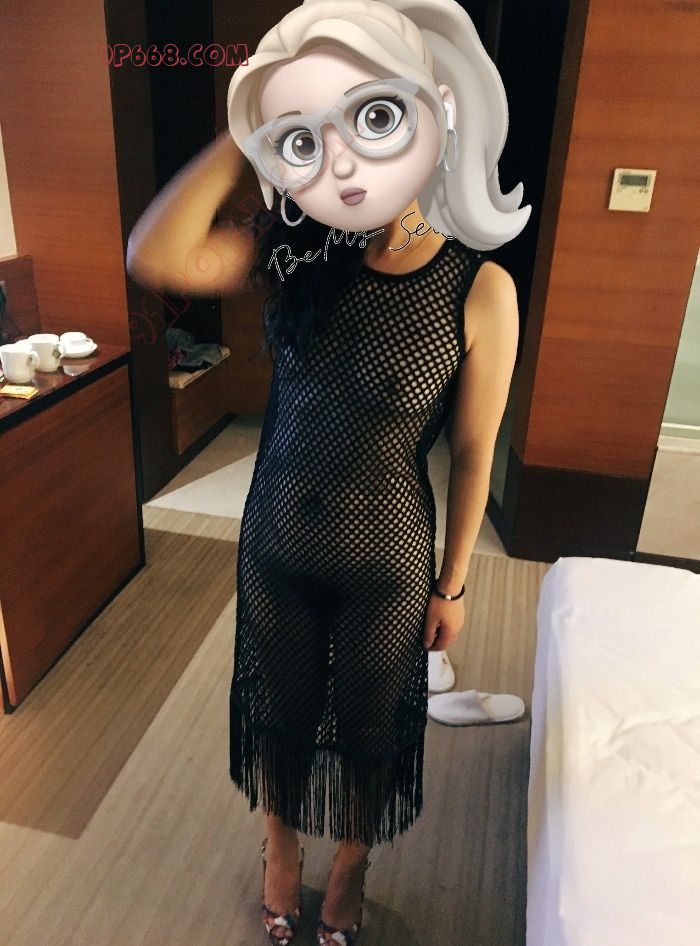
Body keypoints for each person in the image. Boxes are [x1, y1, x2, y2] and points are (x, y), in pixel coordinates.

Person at [127, 2, 528, 943]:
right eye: (313, 132)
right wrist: (251, 129)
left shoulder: (480, 288)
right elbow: (156, 255)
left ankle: (350, 867)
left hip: (388, 557)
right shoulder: (296, 251)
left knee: (371, 729)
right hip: (274, 542)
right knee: (280, 712)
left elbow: (474, 450)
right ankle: (281, 852)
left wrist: (454, 582)